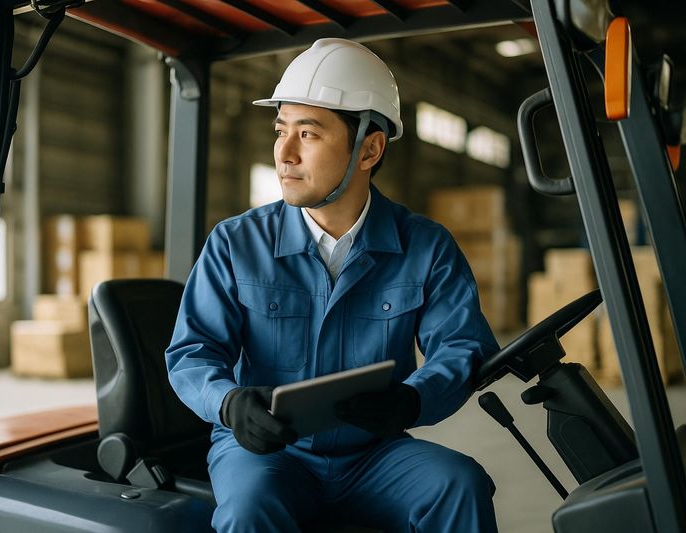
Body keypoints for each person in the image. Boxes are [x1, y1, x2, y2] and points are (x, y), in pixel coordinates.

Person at [166, 38, 499, 533]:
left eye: (309, 133)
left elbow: (461, 346)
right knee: (250, 507)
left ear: (369, 149)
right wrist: (229, 403)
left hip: (373, 456)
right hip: (268, 456)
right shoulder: (236, 243)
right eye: (280, 131)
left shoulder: (425, 247)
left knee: (460, 483)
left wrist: (412, 399)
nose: (285, 153)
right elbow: (191, 352)